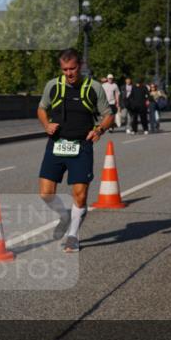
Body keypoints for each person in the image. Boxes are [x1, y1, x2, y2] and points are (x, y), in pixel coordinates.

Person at [37, 48, 114, 252]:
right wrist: (46, 125)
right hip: (56, 144)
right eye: (65, 70)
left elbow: (108, 114)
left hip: (81, 146)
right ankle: (65, 215)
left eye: (72, 69)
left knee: (80, 195)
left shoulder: (94, 87)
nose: (69, 73)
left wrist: (99, 129)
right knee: (45, 193)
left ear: (80, 66)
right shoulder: (53, 86)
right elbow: (42, 108)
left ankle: (72, 235)